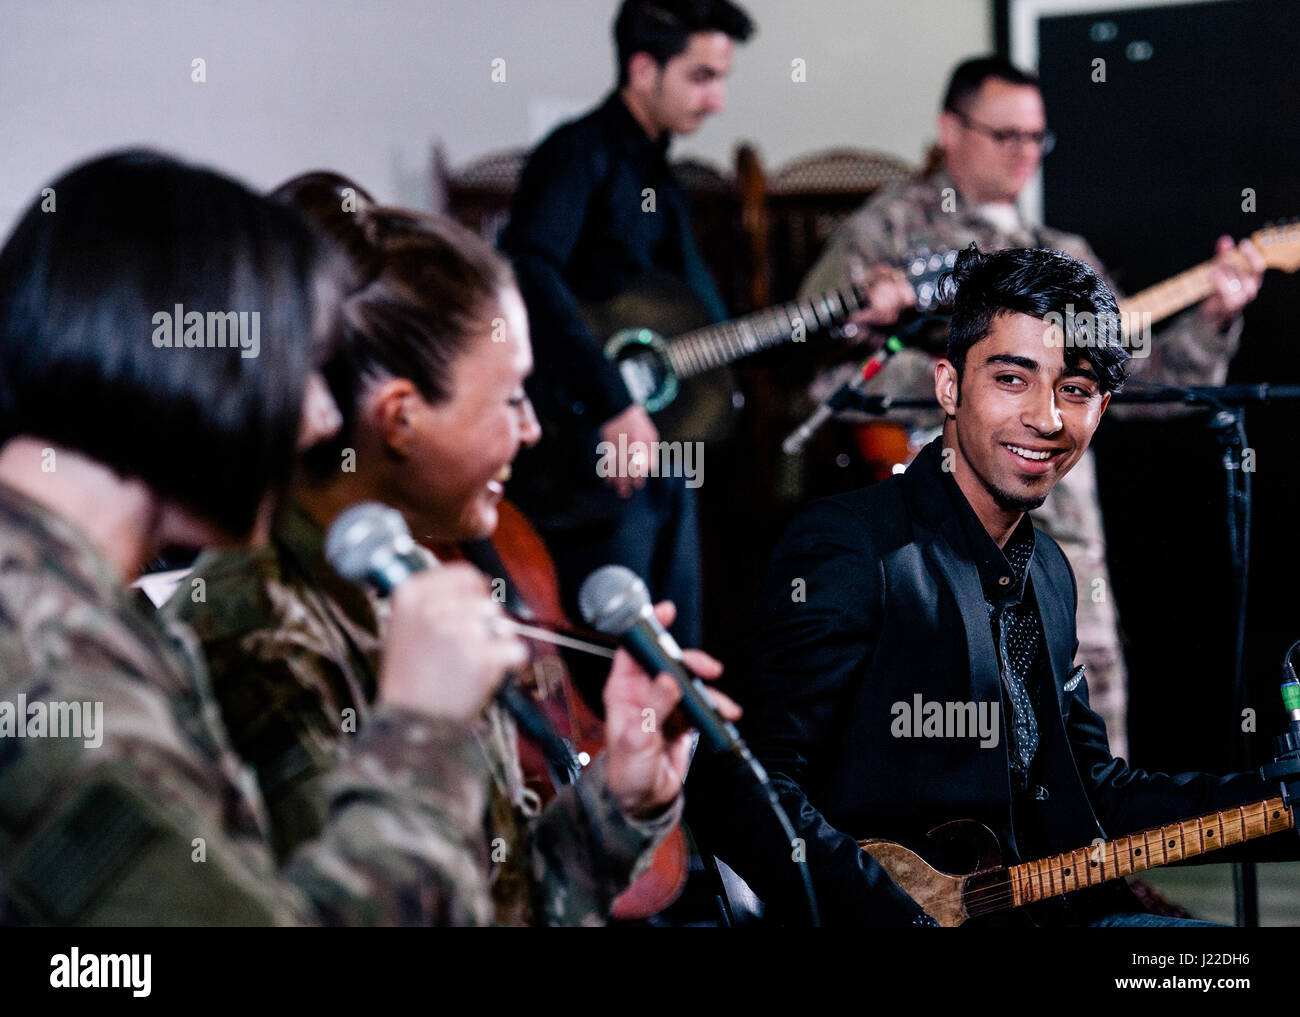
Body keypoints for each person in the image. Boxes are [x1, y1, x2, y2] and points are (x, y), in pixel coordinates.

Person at [172, 172, 737, 925]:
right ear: (401, 419)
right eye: (510, 399)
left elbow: (507, 900)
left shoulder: (421, 586)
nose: (532, 428)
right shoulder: (255, 638)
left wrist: (622, 804)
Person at [0, 150, 530, 925]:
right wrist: (420, 730)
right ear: (186, 363)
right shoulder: (52, 666)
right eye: (305, 369)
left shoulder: (70, 613)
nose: (321, 418)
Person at [695, 245, 1288, 926]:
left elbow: (1093, 793)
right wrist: (897, 912)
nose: (1046, 417)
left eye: (1077, 389)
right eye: (1013, 378)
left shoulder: (1050, 573)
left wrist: (1277, 797)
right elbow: (749, 784)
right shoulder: (853, 545)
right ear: (948, 385)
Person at [798, 56, 1267, 757]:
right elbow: (820, 373)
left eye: (1036, 139)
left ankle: (1103, 861)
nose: (1025, 154)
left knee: (1088, 708)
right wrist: (963, 382)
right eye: (1005, 135)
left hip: (1063, 531)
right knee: (955, 714)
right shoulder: (888, 233)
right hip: (933, 525)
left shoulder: (1064, 254)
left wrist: (1215, 318)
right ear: (950, 129)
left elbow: (1138, 388)